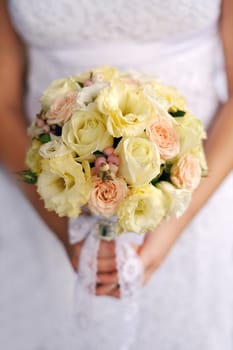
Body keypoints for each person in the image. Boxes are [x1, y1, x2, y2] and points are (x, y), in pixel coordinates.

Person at [0, 0, 232, 349]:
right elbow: (3, 102)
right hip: (41, 202)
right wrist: (66, 230)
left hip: (198, 201)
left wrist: (171, 224)